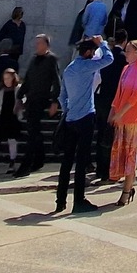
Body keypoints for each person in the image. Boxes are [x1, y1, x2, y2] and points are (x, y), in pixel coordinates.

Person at [52, 35, 114, 215]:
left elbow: (62, 95)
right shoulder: (86, 67)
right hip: (85, 116)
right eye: (92, 52)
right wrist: (101, 42)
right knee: (81, 161)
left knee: (66, 161)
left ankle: (60, 199)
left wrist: (67, 110)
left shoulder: (69, 69)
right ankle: (78, 200)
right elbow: (108, 59)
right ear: (87, 52)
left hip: (70, 118)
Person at [108, 39, 137, 202]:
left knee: (130, 153)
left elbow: (136, 94)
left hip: (132, 116)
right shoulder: (126, 68)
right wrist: (113, 110)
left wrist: (121, 112)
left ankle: (126, 191)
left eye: (129, 51)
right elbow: (119, 92)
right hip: (121, 115)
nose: (126, 54)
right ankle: (128, 187)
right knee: (122, 152)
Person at [18, 34, 60, 176]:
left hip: (41, 99)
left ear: (46, 45)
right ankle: (39, 159)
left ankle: (26, 165)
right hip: (31, 98)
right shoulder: (34, 59)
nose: (36, 46)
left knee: (33, 131)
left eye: (39, 43)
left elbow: (56, 80)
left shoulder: (51, 59)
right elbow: (28, 79)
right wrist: (19, 96)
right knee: (33, 131)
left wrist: (55, 101)